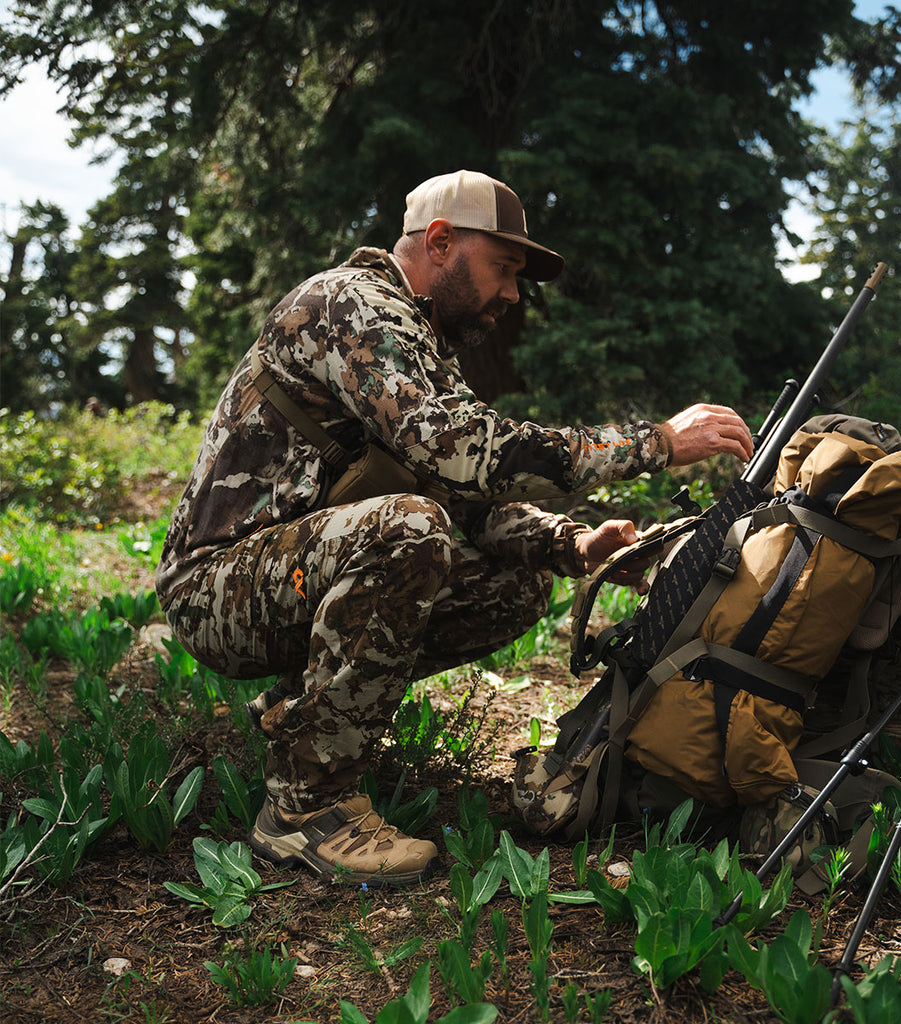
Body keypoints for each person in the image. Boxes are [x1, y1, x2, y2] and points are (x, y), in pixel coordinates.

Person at [155, 169, 753, 886]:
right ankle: (304, 809)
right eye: (503, 267)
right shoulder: (349, 304)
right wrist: (653, 443)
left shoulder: (420, 346)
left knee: (516, 584)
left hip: (292, 574)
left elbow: (469, 498)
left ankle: (310, 715)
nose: (513, 293)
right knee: (408, 529)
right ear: (440, 242)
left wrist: (570, 544)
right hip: (214, 588)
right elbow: (460, 451)